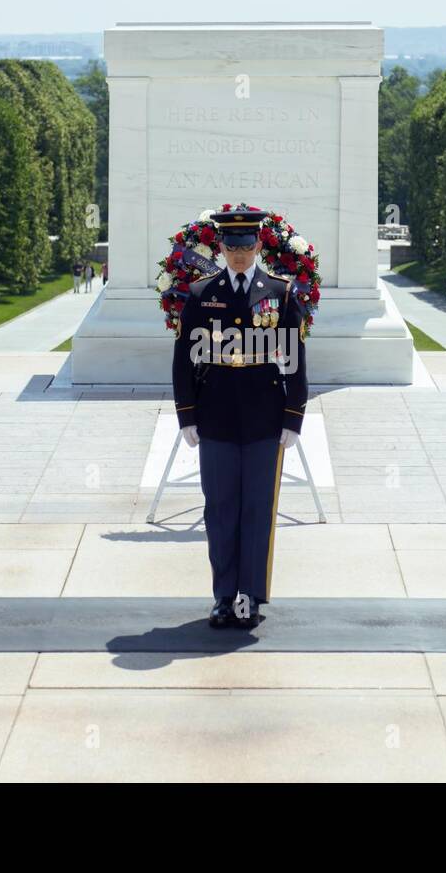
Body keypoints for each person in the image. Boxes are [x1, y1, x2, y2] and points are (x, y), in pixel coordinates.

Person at [172, 208, 308, 629]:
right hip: (215, 419)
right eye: (231, 247)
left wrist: (292, 418)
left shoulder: (280, 294)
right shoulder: (199, 293)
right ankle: (224, 596)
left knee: (256, 510)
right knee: (220, 510)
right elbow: (183, 361)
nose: (239, 255)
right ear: (221, 248)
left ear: (259, 246)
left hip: (264, 420)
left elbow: (296, 362)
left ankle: (249, 597)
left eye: (247, 246)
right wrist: (187, 415)